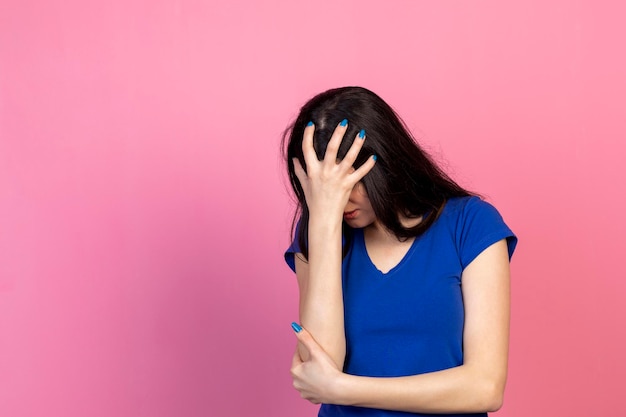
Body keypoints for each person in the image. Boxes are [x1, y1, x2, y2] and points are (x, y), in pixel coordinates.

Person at [282, 86, 517, 417]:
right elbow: (320, 366)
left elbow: (485, 388)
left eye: (349, 183)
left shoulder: (471, 224)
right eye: (323, 188)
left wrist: (343, 389)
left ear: (384, 162)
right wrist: (323, 223)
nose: (340, 199)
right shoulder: (317, 236)